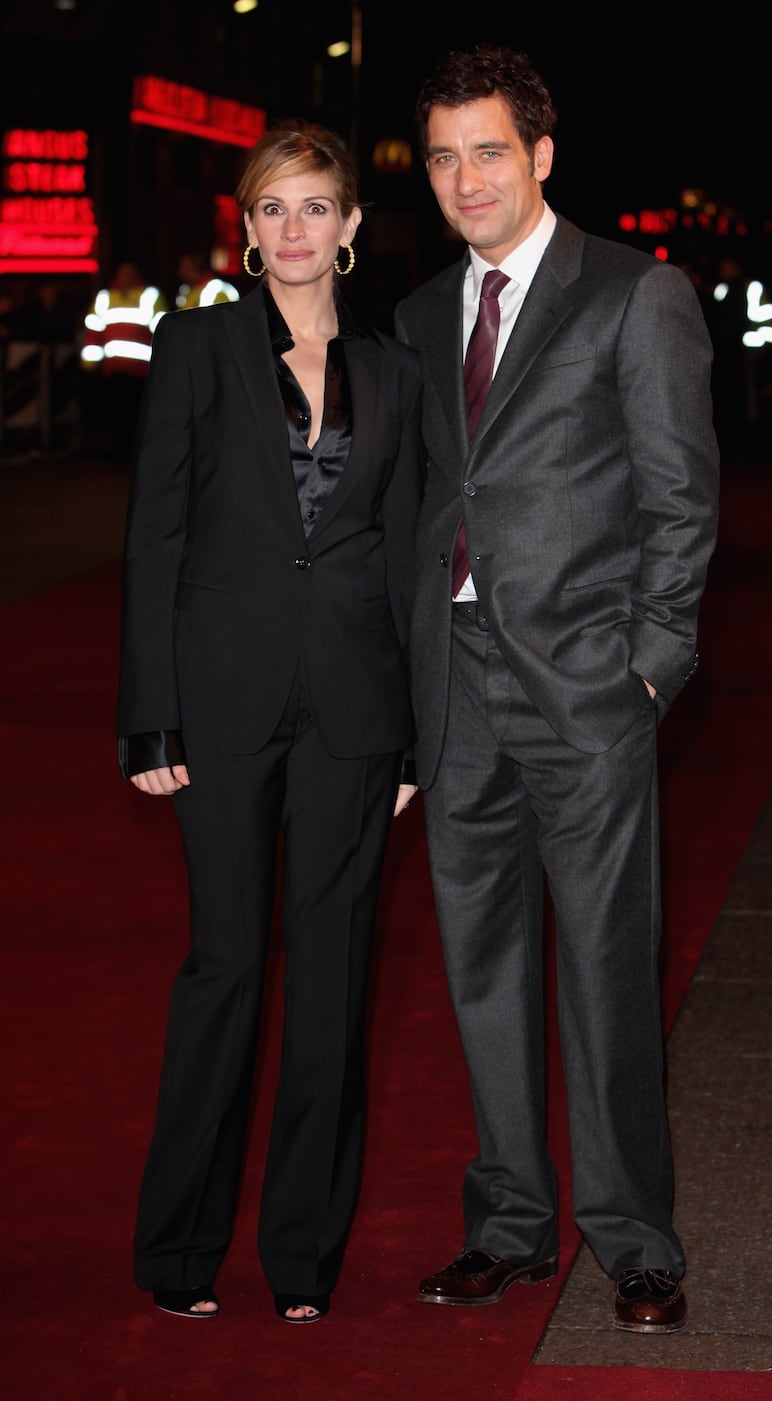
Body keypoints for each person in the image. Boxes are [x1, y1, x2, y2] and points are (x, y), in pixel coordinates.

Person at [394, 45, 719, 1333]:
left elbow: (680, 502)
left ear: (538, 156)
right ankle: (511, 1226)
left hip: (585, 687)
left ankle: (635, 1240)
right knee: (479, 967)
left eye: (487, 150)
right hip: (456, 684)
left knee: (601, 967)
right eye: (440, 156)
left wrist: (645, 672)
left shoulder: (634, 297)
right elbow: (432, 500)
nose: (464, 178)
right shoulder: (422, 316)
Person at [116, 120, 423, 1324]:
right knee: (227, 967)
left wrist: (406, 735)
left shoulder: (393, 370)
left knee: (335, 981)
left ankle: (303, 1261)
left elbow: (402, 558)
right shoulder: (194, 346)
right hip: (223, 701)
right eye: (271, 210)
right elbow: (155, 536)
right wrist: (151, 718)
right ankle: (180, 1251)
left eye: (315, 209)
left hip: (352, 712)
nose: (293, 231)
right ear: (246, 229)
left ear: (350, 228)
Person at [81, 260, 169, 459]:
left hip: (141, 373)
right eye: (123, 273)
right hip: (113, 371)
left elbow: (163, 332)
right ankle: (118, 453)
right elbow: (93, 333)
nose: (126, 277)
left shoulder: (149, 296)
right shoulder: (104, 298)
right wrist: (89, 366)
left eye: (130, 273)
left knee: (137, 417)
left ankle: (135, 455)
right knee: (115, 415)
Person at [174, 251, 239, 309]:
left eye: (184, 267)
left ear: (194, 268)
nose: (180, 271)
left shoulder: (218, 291)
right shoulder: (186, 290)